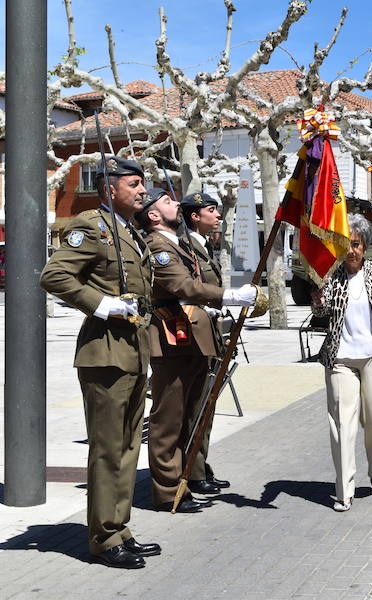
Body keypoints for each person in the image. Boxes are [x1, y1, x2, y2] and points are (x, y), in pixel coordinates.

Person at [39, 156, 159, 569]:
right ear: (110, 188)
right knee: (108, 449)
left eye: (142, 185)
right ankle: (104, 539)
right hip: (104, 353)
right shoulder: (91, 227)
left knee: (128, 447)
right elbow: (54, 276)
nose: (143, 191)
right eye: (134, 184)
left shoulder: (131, 233)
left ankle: (118, 528)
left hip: (131, 351)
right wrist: (103, 305)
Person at [136, 189, 262, 513]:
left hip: (189, 335)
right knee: (169, 418)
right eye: (167, 201)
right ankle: (167, 492)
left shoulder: (175, 244)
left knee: (189, 413)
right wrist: (231, 297)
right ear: (152, 214)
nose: (176, 204)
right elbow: (184, 287)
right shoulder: (158, 247)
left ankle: (184, 477)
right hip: (169, 335)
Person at [311, 214, 372, 512]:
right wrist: (318, 300)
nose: (350, 250)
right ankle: (344, 490)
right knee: (342, 423)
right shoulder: (331, 275)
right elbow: (321, 318)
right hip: (340, 358)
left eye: (355, 243)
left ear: (365, 245)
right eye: (345, 244)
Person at [182, 192, 232, 492]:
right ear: (194, 217)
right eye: (211, 210)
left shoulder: (202, 246)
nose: (218, 215)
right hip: (194, 335)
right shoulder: (185, 247)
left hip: (211, 332)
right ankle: (194, 471)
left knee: (207, 406)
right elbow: (189, 289)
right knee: (197, 406)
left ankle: (201, 464)